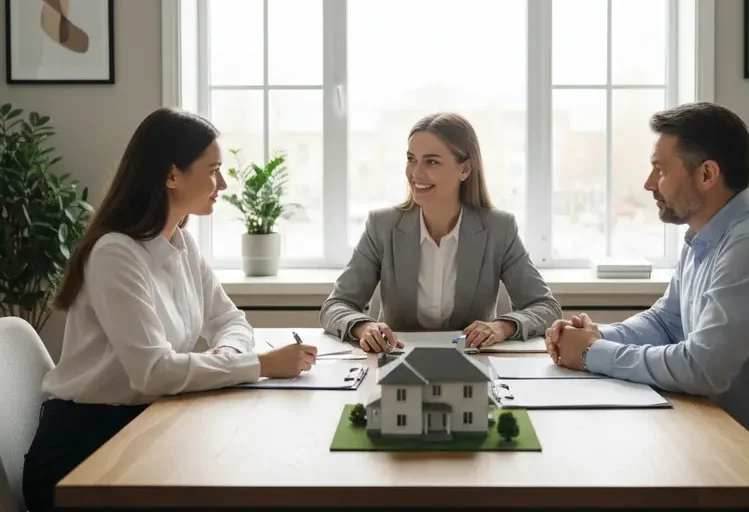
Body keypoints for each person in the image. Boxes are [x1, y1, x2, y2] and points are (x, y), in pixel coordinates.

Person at [546, 102, 749, 512]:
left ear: (707, 174)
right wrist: (596, 334)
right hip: (735, 443)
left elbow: (704, 369)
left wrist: (592, 353)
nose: (649, 183)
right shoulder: (704, 237)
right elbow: (667, 321)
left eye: (661, 169)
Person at [22, 109, 318, 512]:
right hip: (83, 451)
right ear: (171, 175)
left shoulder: (181, 244)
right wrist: (260, 365)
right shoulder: (116, 254)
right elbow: (155, 372)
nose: (223, 184)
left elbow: (230, 320)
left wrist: (230, 355)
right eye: (213, 170)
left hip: (145, 425)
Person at [320, 112, 561, 353]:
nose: (415, 173)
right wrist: (363, 328)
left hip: (473, 364)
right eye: (411, 159)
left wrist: (502, 327)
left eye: (431, 161)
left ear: (465, 169)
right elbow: (335, 306)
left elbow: (546, 307)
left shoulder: (499, 229)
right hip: (395, 363)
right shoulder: (382, 226)